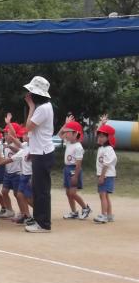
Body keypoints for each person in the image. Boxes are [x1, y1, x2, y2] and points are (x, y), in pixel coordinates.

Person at [23, 76, 55, 233]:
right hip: (40, 152)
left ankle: (43, 224)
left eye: (31, 92)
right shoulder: (44, 107)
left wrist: (30, 106)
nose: (28, 95)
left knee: (41, 190)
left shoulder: (42, 108)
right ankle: (39, 220)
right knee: (38, 189)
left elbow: (28, 127)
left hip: (42, 153)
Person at [57, 116, 91, 220]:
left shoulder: (78, 147)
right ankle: (74, 212)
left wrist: (76, 176)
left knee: (72, 193)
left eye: (68, 132)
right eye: (66, 132)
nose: (65, 134)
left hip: (74, 169)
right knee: (68, 193)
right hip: (67, 169)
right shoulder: (68, 142)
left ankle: (85, 208)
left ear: (76, 134)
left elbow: (79, 163)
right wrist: (65, 124)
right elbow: (59, 135)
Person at [94, 116, 117, 224]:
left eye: (103, 136)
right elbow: (97, 134)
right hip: (105, 175)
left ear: (108, 138)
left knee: (102, 195)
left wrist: (102, 176)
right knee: (105, 195)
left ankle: (103, 215)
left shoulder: (109, 149)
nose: (100, 138)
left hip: (106, 175)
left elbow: (106, 164)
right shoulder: (102, 147)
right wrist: (102, 124)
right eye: (99, 136)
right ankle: (109, 215)